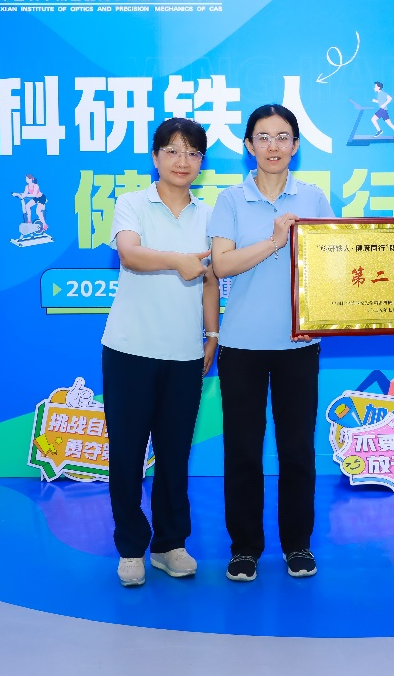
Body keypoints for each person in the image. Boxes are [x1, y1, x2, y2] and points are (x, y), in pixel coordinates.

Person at [210, 104, 335, 583]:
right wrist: (275, 239)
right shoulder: (230, 200)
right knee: (243, 451)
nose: (273, 146)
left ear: (296, 145)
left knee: (297, 451)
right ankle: (244, 548)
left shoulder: (313, 196)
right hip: (241, 345)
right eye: (263, 137)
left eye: (283, 137)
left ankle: (297, 545)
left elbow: (331, 266)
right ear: (248, 146)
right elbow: (222, 264)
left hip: (299, 345)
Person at [100, 117, 220, 588]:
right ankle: (131, 548)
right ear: (155, 157)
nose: (182, 160)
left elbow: (210, 281)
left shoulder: (209, 215)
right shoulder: (132, 203)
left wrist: (212, 334)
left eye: (192, 152)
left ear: (201, 161)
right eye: (172, 150)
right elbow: (130, 254)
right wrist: (177, 260)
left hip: (185, 353)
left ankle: (171, 545)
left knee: (175, 454)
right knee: (127, 453)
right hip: (129, 348)